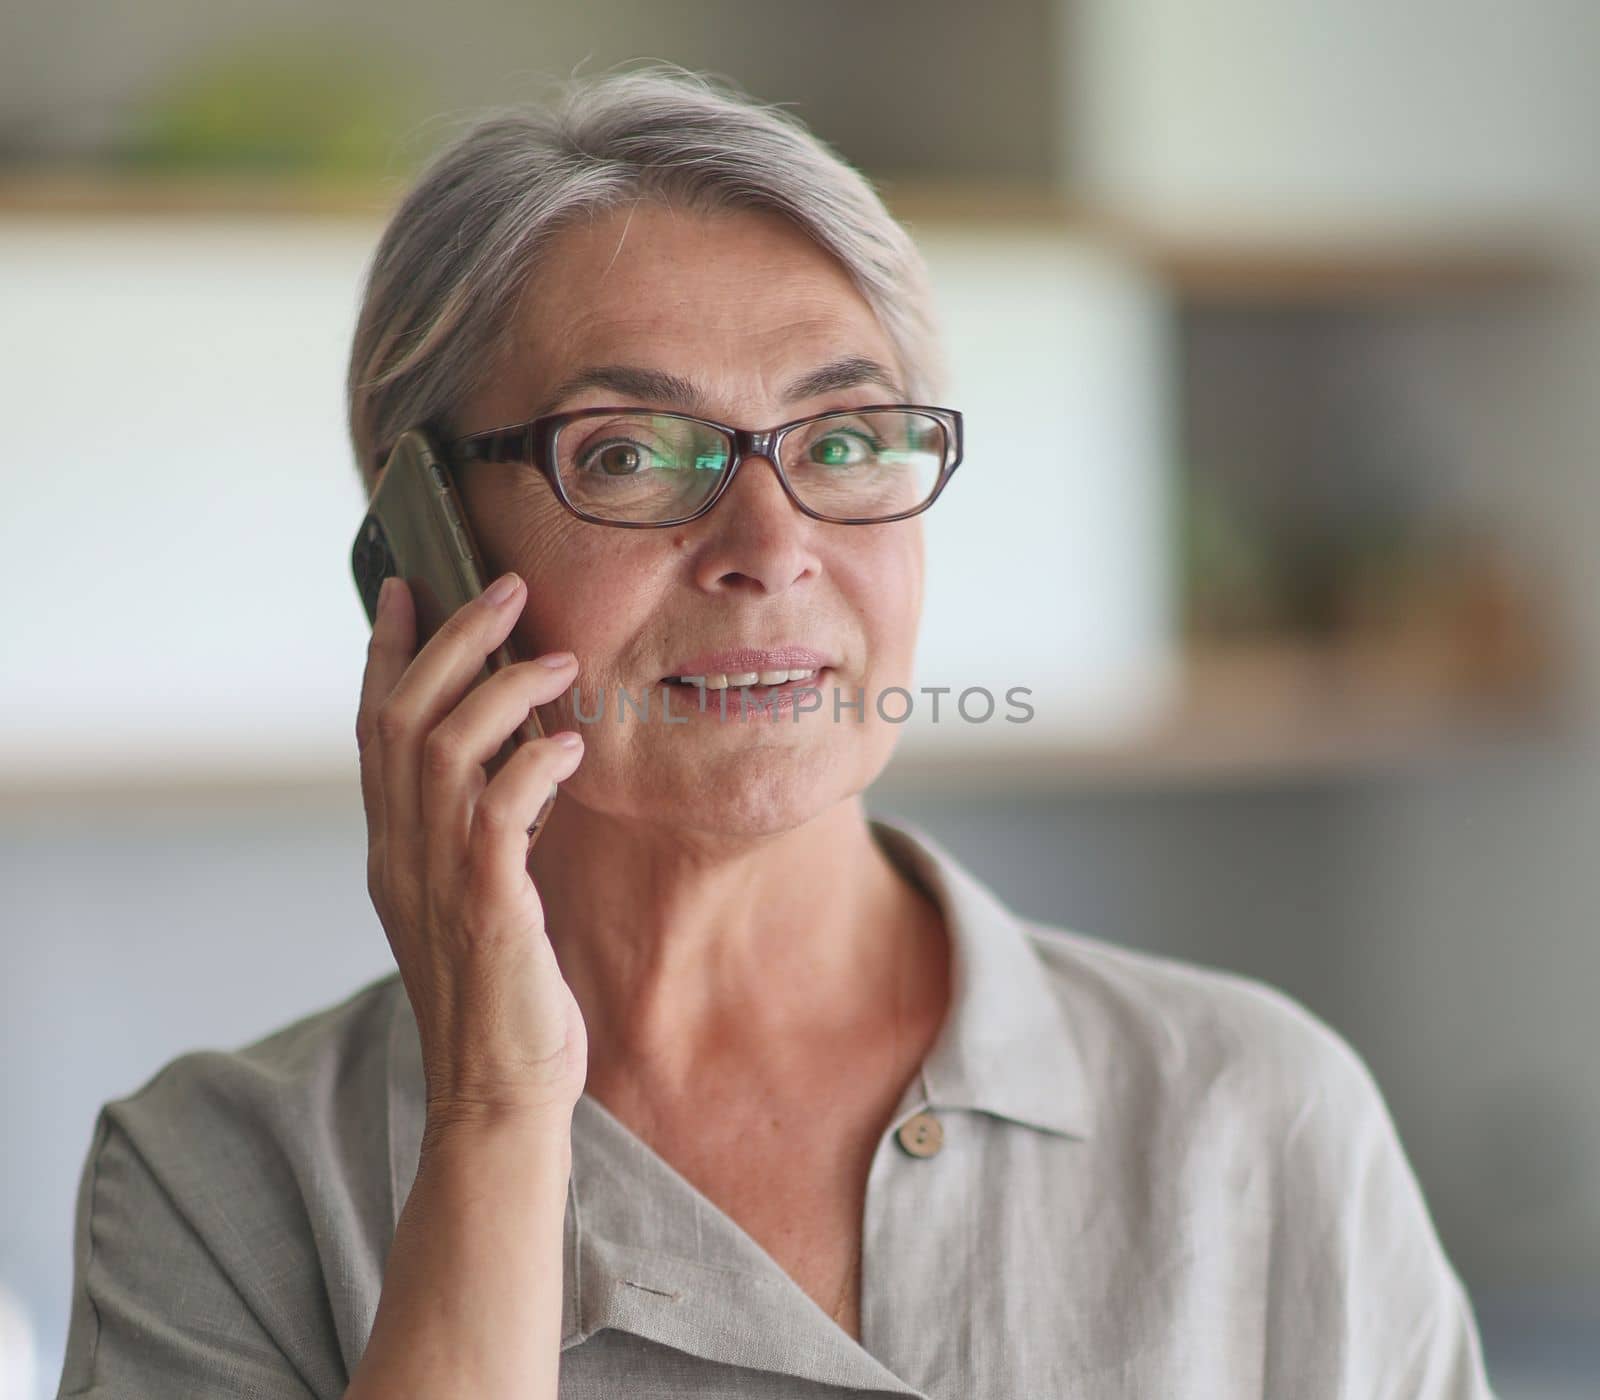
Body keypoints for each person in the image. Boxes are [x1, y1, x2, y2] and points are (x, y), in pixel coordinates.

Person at [56, 65, 1497, 1399]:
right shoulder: (218, 1184)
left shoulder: (1259, 1117)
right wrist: (492, 1116)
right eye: (626, 452)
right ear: (421, 542)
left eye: (846, 442)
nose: (770, 543)